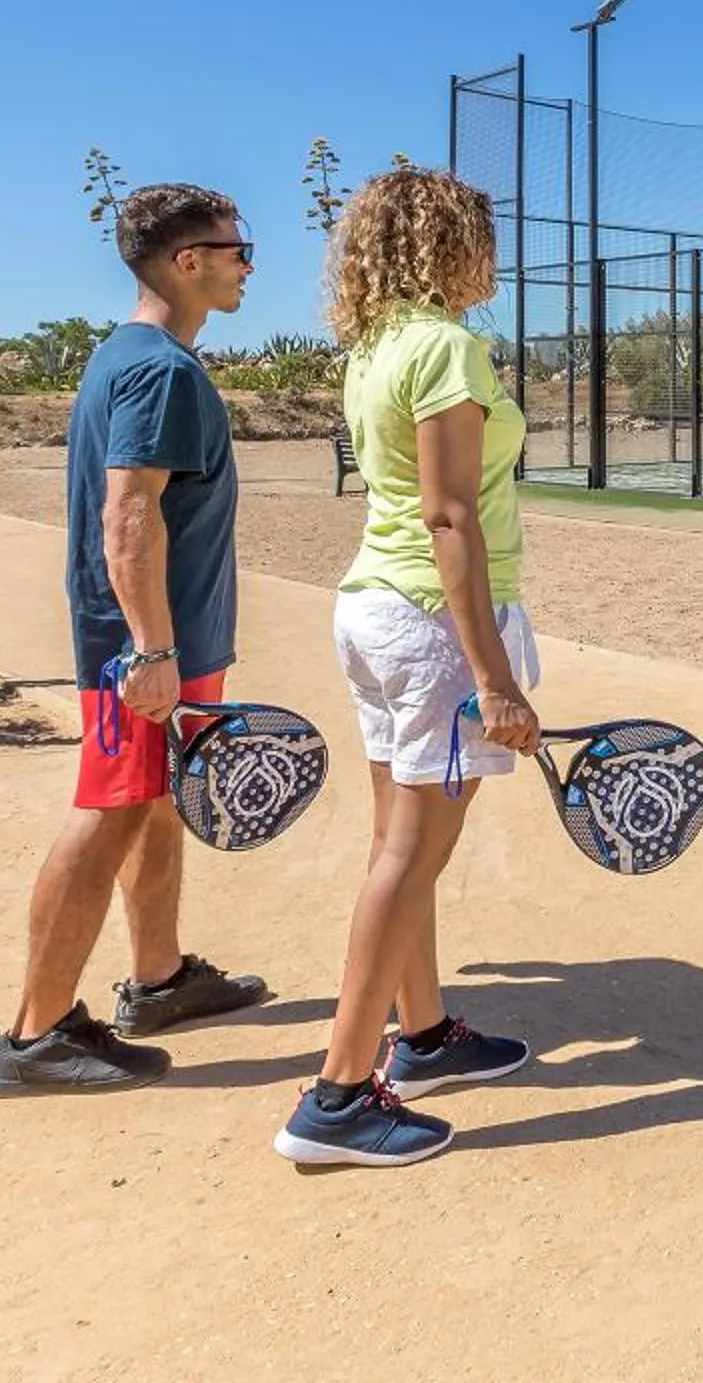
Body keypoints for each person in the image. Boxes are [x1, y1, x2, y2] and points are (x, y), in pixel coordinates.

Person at [274, 168, 540, 1167]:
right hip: (432, 625)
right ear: (445, 243)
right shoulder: (446, 348)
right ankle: (337, 1096)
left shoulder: (377, 346)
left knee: (399, 840)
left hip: (376, 612)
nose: (494, 254)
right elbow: (449, 514)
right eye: (482, 233)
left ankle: (422, 1034)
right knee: (409, 852)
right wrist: (494, 673)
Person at [0, 184, 270, 1094]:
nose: (246, 263)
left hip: (169, 645)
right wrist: (150, 649)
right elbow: (128, 512)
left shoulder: (140, 355)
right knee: (110, 808)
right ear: (188, 262)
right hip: (141, 651)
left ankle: (158, 980)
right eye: (235, 249)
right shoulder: (159, 370)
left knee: (156, 802)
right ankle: (34, 1037)